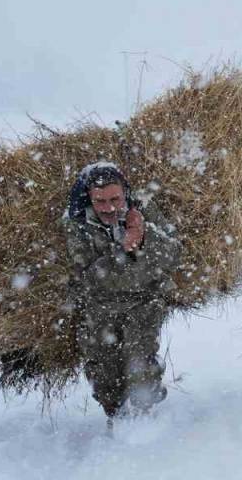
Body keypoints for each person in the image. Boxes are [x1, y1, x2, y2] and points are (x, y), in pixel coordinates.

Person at [62, 162, 182, 426]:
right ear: (89, 198)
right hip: (99, 306)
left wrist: (144, 234)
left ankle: (145, 420)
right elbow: (90, 276)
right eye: (100, 201)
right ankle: (116, 419)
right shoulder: (77, 223)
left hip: (144, 300)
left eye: (115, 198)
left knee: (139, 365)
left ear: (125, 194)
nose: (109, 207)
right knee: (105, 375)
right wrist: (125, 249)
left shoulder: (144, 211)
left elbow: (174, 252)